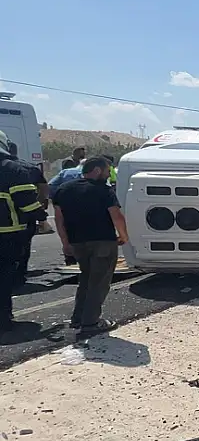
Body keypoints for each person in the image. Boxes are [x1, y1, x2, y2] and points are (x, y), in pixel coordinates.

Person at [52, 157, 128, 336]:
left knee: (85, 280)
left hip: (78, 243)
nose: (109, 174)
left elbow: (59, 220)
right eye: (107, 170)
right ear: (96, 170)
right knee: (99, 283)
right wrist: (124, 236)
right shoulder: (104, 191)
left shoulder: (64, 189)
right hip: (103, 242)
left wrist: (65, 244)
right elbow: (116, 215)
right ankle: (91, 322)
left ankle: (78, 318)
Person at [0, 131, 47, 332]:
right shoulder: (13, 169)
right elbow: (27, 204)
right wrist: (42, 217)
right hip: (8, 233)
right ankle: (3, 320)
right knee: (4, 277)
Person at [7, 142, 48, 284]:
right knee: (24, 246)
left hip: (6, 217)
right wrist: (40, 207)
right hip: (25, 216)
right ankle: (19, 275)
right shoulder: (28, 167)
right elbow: (43, 187)